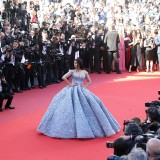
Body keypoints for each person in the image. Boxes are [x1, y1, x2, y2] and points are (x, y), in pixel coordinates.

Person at [37, 58, 120, 139]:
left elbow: (89, 81)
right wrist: (70, 84)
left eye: (76, 63)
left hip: (81, 89)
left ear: (80, 64)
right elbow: (63, 77)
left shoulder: (85, 72)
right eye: (74, 63)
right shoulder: (72, 71)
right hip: (72, 90)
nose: (75, 64)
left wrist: (84, 87)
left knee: (92, 104)